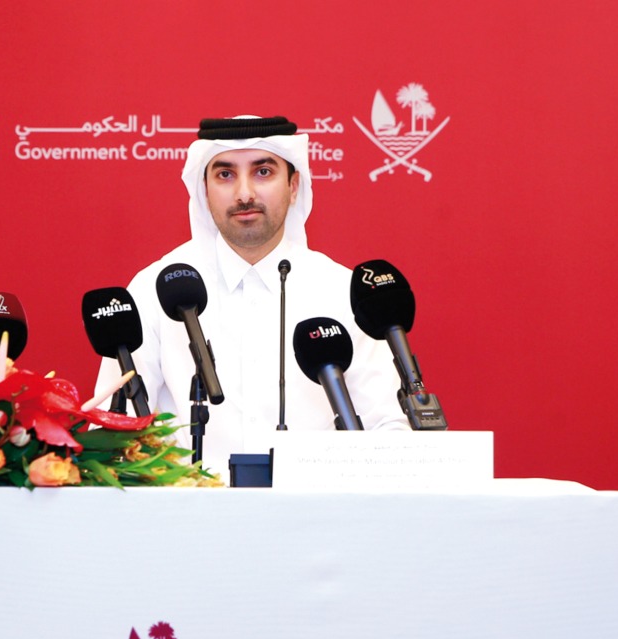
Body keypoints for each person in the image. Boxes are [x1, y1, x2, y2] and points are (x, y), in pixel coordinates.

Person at [96, 115, 408, 478]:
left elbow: (387, 428)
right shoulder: (155, 290)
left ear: (293, 186)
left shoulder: (343, 291)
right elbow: (112, 432)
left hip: (318, 521)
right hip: (187, 521)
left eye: (263, 172)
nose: (244, 194)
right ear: (205, 189)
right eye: (225, 175)